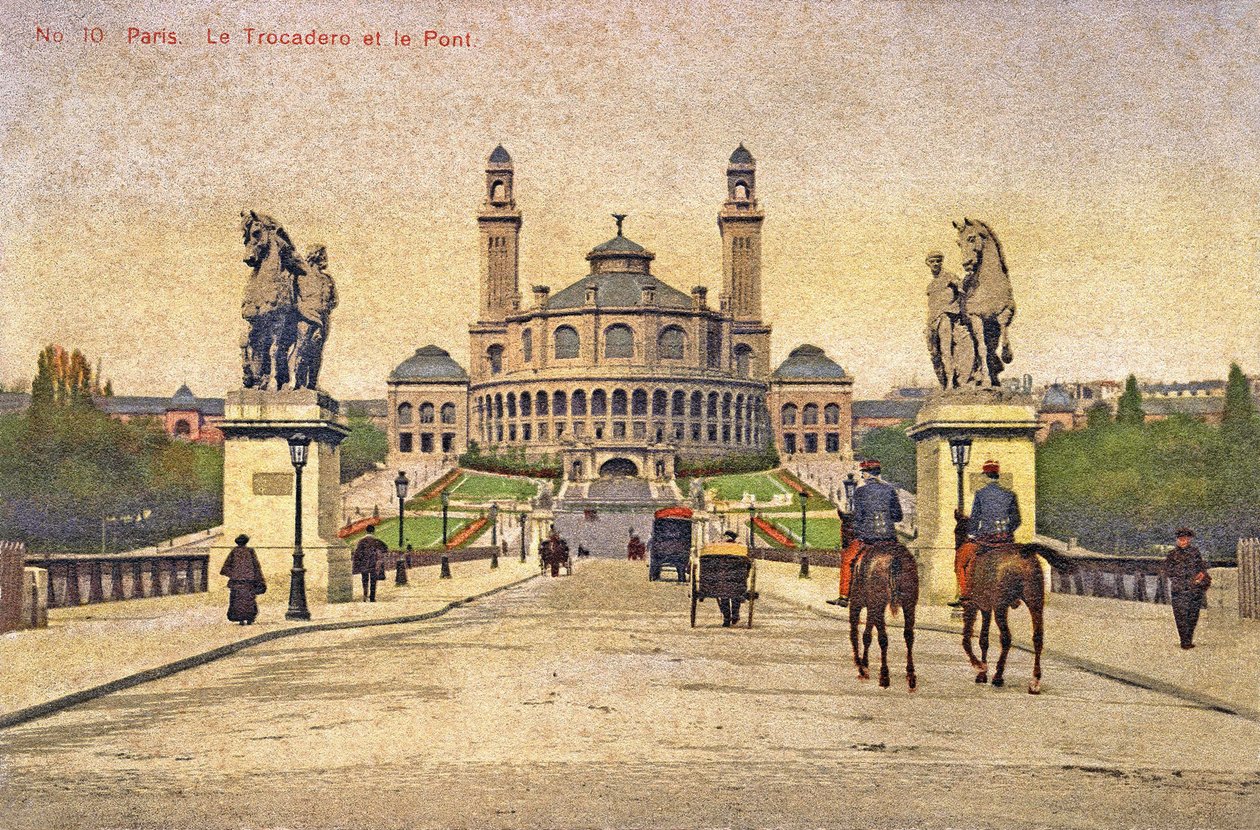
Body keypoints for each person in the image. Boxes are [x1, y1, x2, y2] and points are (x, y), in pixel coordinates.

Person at [828, 459, 903, 607]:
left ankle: (843, 597)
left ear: (867, 474)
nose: (863, 476)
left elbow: (858, 518)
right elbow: (898, 516)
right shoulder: (890, 490)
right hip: (889, 537)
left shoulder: (860, 492)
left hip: (868, 538)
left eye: (863, 474)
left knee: (847, 560)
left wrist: (859, 530)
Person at [953, 460, 1021, 606]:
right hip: (1006, 540)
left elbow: (975, 518)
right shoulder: (1010, 495)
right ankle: (1014, 596)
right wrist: (1006, 531)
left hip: (986, 539)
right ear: (997, 475)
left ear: (985, 476)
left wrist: (972, 533)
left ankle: (965, 595)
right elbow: (1017, 520)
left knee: (961, 561)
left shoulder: (980, 494)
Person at [1165, 527, 1211, 649]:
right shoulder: (1172, 554)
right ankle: (1184, 641)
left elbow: (1202, 568)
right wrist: (1177, 580)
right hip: (1179, 590)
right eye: (1180, 539)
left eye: (1184, 539)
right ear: (1177, 540)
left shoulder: (1195, 552)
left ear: (1189, 539)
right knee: (1180, 616)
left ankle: (1188, 639)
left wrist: (1201, 575)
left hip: (1194, 589)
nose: (1182, 541)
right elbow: (1168, 571)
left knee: (1193, 615)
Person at [220, 534, 265, 625]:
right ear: (246, 542)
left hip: (237, 582)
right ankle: (249, 618)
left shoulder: (234, 552)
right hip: (249, 582)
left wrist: (234, 575)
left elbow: (225, 568)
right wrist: (259, 579)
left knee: (237, 601)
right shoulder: (250, 551)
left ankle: (241, 619)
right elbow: (256, 566)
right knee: (249, 600)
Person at [711, 530, 750, 627]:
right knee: (736, 596)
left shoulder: (718, 548)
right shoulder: (739, 548)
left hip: (722, 579)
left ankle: (726, 619)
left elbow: (713, 564)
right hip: (736, 579)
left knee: (724, 598)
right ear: (734, 538)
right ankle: (735, 615)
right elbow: (748, 564)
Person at [352, 524, 388, 602]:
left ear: (366, 531)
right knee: (373, 580)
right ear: (373, 531)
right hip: (373, 563)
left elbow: (357, 553)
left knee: (364, 579)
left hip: (364, 563)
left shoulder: (361, 541)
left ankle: (365, 595)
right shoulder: (376, 540)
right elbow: (385, 548)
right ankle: (372, 597)